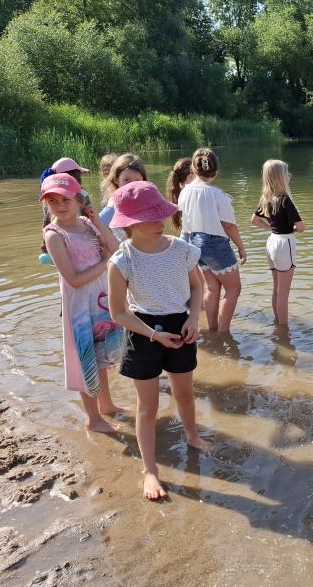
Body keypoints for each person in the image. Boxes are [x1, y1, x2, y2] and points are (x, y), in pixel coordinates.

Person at [107, 181, 212, 500]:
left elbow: (198, 287)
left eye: (161, 215)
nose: (161, 222)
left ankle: (192, 435)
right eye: (150, 218)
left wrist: (193, 319)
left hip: (180, 325)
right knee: (147, 407)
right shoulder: (122, 260)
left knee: (185, 394)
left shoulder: (181, 249)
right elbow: (118, 313)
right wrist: (153, 334)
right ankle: (150, 470)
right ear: (130, 224)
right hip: (143, 331)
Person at [40, 173, 126, 432]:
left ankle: (107, 406)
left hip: (101, 299)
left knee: (102, 355)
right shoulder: (54, 235)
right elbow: (74, 279)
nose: (60, 205)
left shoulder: (87, 224)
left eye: (66, 199)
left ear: (79, 200)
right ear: (46, 204)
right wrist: (105, 263)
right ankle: (93, 419)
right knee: (85, 359)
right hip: (79, 306)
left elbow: (115, 248)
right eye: (52, 201)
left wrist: (97, 219)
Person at [178, 148, 246, 333]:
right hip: (215, 244)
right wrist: (241, 247)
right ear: (215, 171)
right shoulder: (218, 194)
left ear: (193, 168)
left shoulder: (185, 191)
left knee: (213, 287)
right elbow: (229, 225)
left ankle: (213, 331)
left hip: (194, 243)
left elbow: (185, 220)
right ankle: (223, 333)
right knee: (234, 289)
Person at [251, 159, 304, 326]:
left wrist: (272, 228)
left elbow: (254, 220)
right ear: (280, 177)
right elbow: (301, 227)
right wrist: (290, 229)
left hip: (272, 241)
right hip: (284, 243)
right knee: (284, 293)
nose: (289, 175)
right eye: (286, 173)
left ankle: (277, 322)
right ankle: (284, 329)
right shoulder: (285, 200)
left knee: (276, 288)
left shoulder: (265, 198)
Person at [98, 153, 146, 241]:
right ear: (116, 180)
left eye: (137, 180)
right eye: (127, 180)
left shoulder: (146, 199)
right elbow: (95, 227)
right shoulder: (114, 205)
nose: (132, 186)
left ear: (143, 181)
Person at [167, 157, 192, 236]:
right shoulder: (190, 194)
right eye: (197, 174)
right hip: (193, 236)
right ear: (190, 176)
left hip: (185, 234)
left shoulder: (178, 191)